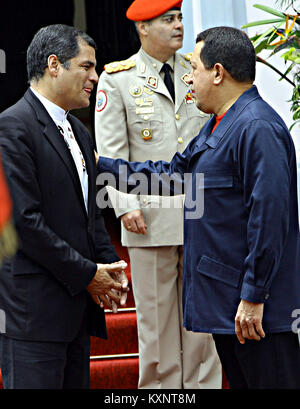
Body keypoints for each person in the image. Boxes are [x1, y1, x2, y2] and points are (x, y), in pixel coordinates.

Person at [96, 26, 300, 389]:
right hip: (228, 308)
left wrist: (254, 296)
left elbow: (269, 220)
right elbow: (171, 175)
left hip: (254, 312)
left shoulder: (257, 127)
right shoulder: (218, 125)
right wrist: (100, 166)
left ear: (218, 73)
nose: (187, 77)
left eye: (194, 68)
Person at [94, 0, 221, 389]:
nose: (179, 25)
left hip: (202, 213)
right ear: (143, 28)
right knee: (156, 323)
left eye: (180, 17)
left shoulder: (198, 72)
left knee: (203, 324)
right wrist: (124, 206)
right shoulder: (118, 79)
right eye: (168, 19)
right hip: (148, 215)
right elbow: (111, 153)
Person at [0, 24, 129, 389]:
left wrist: (109, 265)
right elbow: (25, 223)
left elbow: (89, 213)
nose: (95, 76)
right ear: (54, 65)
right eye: (86, 66)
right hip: (33, 316)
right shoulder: (11, 128)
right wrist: (90, 274)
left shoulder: (78, 130)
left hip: (74, 314)